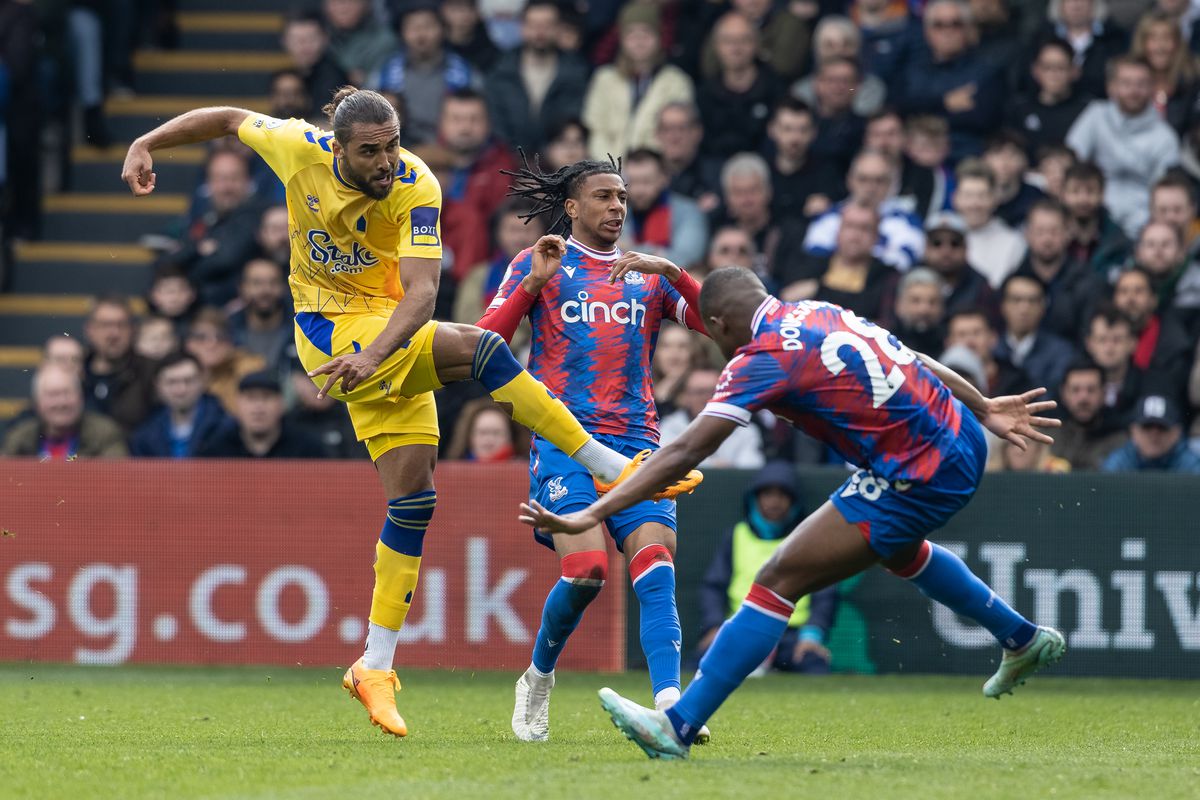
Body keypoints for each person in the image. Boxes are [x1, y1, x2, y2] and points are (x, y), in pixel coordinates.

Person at [121, 87, 680, 738]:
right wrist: (147, 142)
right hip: (331, 334)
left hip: (388, 335)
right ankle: (603, 459)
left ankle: (374, 666)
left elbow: (421, 294)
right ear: (337, 146)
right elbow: (226, 118)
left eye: (392, 144)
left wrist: (378, 354)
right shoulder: (295, 148)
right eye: (371, 151)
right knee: (484, 350)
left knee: (413, 501)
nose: (387, 161)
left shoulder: (417, 185)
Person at [522, 266, 1066, 760]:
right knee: (901, 550)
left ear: (718, 323)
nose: (715, 347)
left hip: (920, 469)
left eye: (711, 334)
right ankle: (1020, 637)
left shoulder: (760, 359)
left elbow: (685, 452)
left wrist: (593, 509)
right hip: (960, 435)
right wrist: (985, 405)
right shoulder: (819, 312)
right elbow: (914, 360)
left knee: (778, 578)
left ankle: (678, 727)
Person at [477, 155, 707, 743]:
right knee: (586, 574)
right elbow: (486, 345)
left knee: (655, 568)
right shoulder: (542, 263)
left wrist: (675, 272)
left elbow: (721, 324)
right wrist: (530, 283)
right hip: (565, 440)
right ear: (574, 207)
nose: (617, 207)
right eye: (604, 196)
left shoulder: (647, 273)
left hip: (636, 443)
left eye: (623, 197)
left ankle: (672, 707)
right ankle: (537, 677)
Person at [697, 462, 839, 675]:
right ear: (755, 498)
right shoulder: (735, 536)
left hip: (792, 637)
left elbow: (824, 591)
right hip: (740, 631)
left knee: (814, 665)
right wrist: (714, 627)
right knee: (699, 663)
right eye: (768, 494)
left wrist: (812, 635)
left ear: (793, 501)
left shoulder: (808, 538)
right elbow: (713, 587)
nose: (775, 502)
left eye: (782, 495)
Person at [1066, 56, 1180, 239]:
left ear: (1152, 87)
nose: (1134, 91)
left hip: (1141, 226)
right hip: (1089, 213)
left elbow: (1163, 193)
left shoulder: (1165, 137)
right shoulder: (1095, 115)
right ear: (1111, 87)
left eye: (1141, 84)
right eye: (1126, 83)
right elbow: (1070, 161)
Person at [581, 4, 694, 161]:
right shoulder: (604, 79)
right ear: (622, 39)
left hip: (656, 171)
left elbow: (673, 135)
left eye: (646, 34)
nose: (639, 41)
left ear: (659, 37)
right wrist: (615, 168)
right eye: (632, 35)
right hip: (608, 171)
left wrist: (641, 165)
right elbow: (594, 130)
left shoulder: (677, 82)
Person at [894, 0, 1004, 160]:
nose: (948, 31)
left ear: (968, 29)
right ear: (927, 31)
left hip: (966, 156)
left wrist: (920, 111)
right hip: (913, 158)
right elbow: (898, 108)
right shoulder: (910, 71)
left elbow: (981, 119)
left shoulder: (986, 71)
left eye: (956, 24)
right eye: (939, 25)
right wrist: (944, 103)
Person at [484, 1, 589, 153]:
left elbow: (575, 119)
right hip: (509, 165)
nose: (540, 32)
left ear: (559, 28)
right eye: (533, 25)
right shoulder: (499, 71)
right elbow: (496, 126)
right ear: (522, 28)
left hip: (560, 163)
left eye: (547, 25)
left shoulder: (577, 72)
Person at [778, 201, 899, 322]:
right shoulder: (811, 264)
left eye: (865, 229)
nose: (855, 236)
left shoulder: (886, 276)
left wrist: (818, 290)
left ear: (876, 237)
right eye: (850, 226)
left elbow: (885, 323)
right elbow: (786, 301)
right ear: (838, 232)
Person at [376, 2, 477, 147]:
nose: (421, 34)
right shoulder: (383, 72)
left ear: (443, 30)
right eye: (413, 27)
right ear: (402, 33)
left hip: (454, 151)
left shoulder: (466, 72)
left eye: (428, 26)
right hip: (398, 151)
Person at [1012, 198, 1097, 340]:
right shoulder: (1014, 281)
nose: (1047, 239)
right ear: (1027, 234)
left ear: (1068, 233)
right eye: (1040, 231)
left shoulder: (1087, 282)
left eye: (1054, 231)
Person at [2, 365, 127, 459]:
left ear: (81, 398)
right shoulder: (19, 439)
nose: (61, 403)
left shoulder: (105, 434)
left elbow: (116, 483)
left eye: (67, 393)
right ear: (37, 403)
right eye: (53, 395)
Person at [198, 371, 326, 458]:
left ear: (281, 404)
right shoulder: (216, 450)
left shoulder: (308, 450)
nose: (258, 407)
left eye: (266, 398)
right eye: (251, 398)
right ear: (237, 404)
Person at [130, 352, 233, 458]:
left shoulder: (228, 429)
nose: (181, 390)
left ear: (203, 381)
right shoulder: (145, 435)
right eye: (171, 382)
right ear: (158, 385)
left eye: (188, 381)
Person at [659, 367, 765, 469]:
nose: (707, 398)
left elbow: (751, 469)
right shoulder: (670, 426)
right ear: (686, 397)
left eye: (713, 392)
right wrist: (714, 466)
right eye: (699, 392)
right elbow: (666, 463)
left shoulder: (745, 429)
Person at [620, 149, 707, 268]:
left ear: (664, 179)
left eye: (646, 182)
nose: (638, 190)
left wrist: (630, 249)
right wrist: (657, 253)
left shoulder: (689, 212)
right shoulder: (619, 212)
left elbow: (686, 259)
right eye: (632, 182)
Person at [1006, 38, 1091, 160]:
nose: (1053, 75)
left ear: (1074, 71)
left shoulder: (1088, 111)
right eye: (1047, 67)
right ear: (1035, 70)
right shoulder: (1019, 108)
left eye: (1061, 68)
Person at [82, 296, 157, 434]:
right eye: (105, 325)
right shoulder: (76, 371)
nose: (114, 334)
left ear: (133, 330)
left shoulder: (151, 371)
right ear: (90, 330)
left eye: (122, 325)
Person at [994, 274, 1077, 396]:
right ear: (1003, 305)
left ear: (1043, 306)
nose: (1024, 308)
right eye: (1016, 300)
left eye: (1032, 301)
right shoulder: (991, 349)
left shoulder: (1061, 353)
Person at [766, 98, 844, 224]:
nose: (795, 138)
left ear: (814, 133)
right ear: (772, 130)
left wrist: (827, 208)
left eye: (803, 130)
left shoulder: (827, 173)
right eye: (787, 129)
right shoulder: (760, 171)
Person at [953, 159, 1026, 289]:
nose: (975, 204)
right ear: (955, 199)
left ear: (994, 198)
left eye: (982, 196)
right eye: (968, 196)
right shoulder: (941, 237)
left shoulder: (1012, 242)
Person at [921, 211, 999, 324]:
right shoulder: (906, 282)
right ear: (926, 248)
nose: (946, 251)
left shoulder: (981, 287)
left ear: (966, 248)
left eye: (955, 243)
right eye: (937, 243)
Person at [1050, 361, 1128, 469]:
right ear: (1063, 394)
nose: (1083, 398)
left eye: (1091, 390)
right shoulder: (1048, 437)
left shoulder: (1120, 440)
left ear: (1104, 393)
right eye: (1075, 390)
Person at [1101, 393, 1200, 472]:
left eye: (1162, 427)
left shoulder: (1190, 464)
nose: (1154, 434)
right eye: (1147, 427)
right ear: (1133, 431)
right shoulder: (1120, 462)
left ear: (1177, 433)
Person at [228, 258, 292, 371]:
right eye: (257, 283)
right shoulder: (228, 329)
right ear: (242, 287)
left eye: (273, 282)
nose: (265, 290)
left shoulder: (301, 328)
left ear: (283, 287)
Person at [885, 267, 947, 355]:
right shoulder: (884, 343)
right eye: (915, 301)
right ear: (899, 305)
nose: (924, 309)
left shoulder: (949, 345)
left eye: (932, 302)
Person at [443, 397, 527, 461]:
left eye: (496, 433)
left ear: (511, 436)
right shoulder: (454, 472)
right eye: (482, 433)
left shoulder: (530, 473)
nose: (489, 439)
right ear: (469, 437)